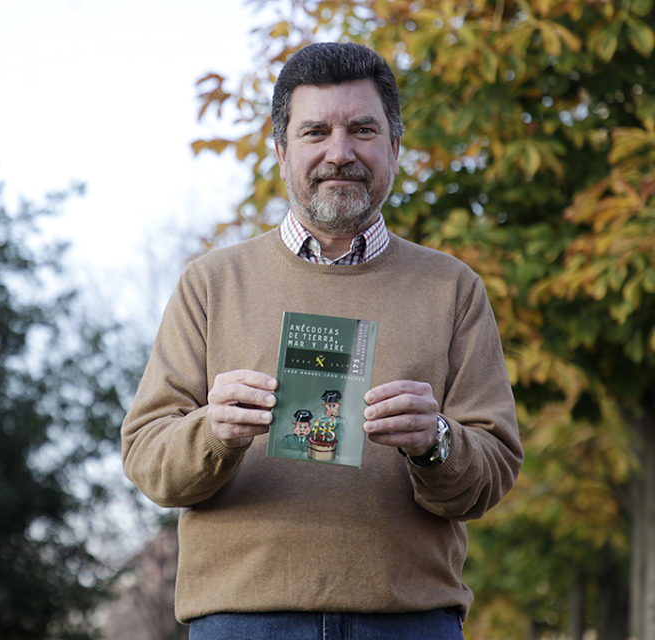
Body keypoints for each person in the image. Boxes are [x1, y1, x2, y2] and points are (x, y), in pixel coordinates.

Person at [120, 41, 523, 639]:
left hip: (408, 623)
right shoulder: (210, 284)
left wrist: (435, 441)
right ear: (283, 153)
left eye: (363, 129)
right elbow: (148, 460)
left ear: (394, 147)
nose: (341, 152)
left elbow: (494, 468)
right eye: (316, 132)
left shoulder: (453, 289)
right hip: (243, 623)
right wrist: (213, 433)